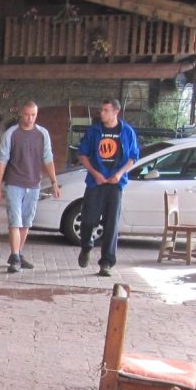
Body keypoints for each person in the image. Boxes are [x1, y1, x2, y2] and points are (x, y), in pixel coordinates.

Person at [0, 100, 60, 273]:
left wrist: (54, 182)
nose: (30, 118)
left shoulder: (42, 134)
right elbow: (2, 160)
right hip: (14, 183)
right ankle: (15, 256)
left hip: (34, 183)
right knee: (15, 221)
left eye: (33, 115)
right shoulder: (11, 134)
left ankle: (18, 254)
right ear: (21, 114)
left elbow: (48, 158)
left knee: (26, 222)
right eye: (27, 114)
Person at [76, 98, 140, 277]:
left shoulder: (127, 132)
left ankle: (106, 262)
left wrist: (119, 174)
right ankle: (86, 245)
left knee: (111, 223)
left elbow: (133, 157)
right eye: (101, 110)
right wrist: (95, 173)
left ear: (115, 112)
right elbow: (82, 154)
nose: (101, 113)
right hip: (95, 182)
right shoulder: (94, 131)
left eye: (105, 110)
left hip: (115, 183)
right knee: (88, 220)